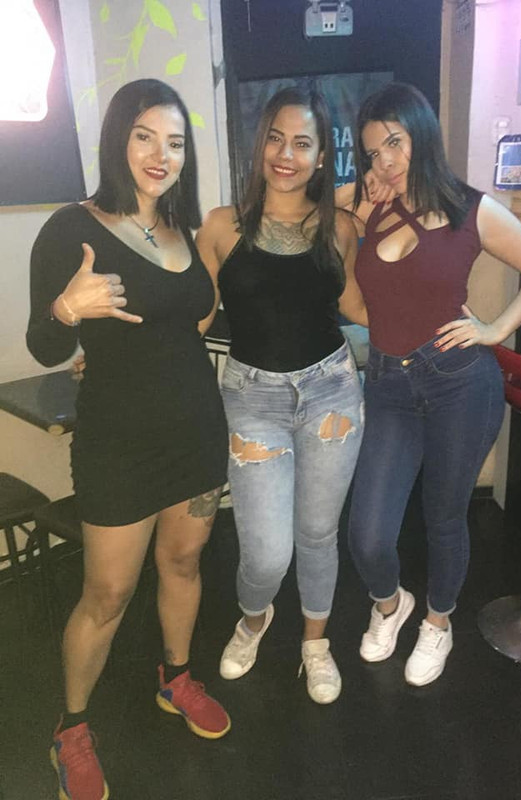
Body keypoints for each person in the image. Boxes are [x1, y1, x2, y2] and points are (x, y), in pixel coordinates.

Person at [27, 79, 231, 800]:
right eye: (145, 136)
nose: (160, 154)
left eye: (174, 143)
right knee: (107, 594)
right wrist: (66, 308)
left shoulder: (180, 229)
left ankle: (175, 676)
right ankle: (72, 727)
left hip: (196, 434)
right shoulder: (70, 229)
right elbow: (44, 345)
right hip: (118, 444)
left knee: (184, 562)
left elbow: (191, 321)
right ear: (118, 138)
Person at [338, 82, 521, 686]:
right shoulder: (367, 201)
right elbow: (304, 205)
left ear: (421, 132)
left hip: (459, 383)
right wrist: (361, 192)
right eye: (373, 151)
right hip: (388, 385)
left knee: (444, 516)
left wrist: (495, 329)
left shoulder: (471, 208)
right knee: (368, 532)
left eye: (395, 142)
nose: (386, 160)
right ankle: (391, 605)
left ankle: (438, 621)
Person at [196, 86, 366, 704]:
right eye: (275, 139)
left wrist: (434, 324)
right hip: (252, 398)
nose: (286, 155)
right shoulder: (221, 226)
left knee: (318, 534)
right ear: (260, 145)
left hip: (331, 391)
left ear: (322, 156)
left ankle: (315, 643)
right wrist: (121, 352)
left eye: (301, 143)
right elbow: (194, 317)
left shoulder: (339, 228)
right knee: (266, 553)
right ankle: (254, 618)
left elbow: (354, 304)